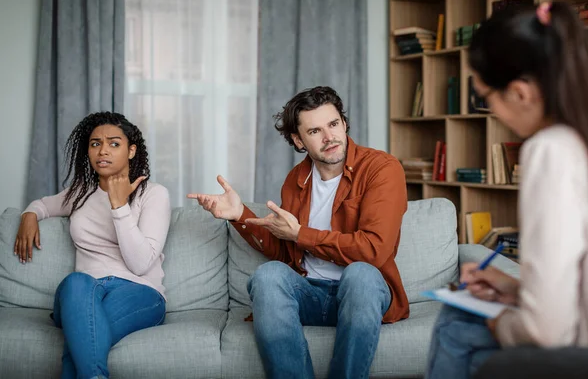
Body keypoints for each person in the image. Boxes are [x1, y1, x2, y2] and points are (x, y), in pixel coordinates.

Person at [426, 0, 588, 379]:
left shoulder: (552, 150)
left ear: (521, 93)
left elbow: (549, 330)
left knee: (458, 321)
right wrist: (518, 290)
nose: (494, 115)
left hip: (582, 356)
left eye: (486, 97)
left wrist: (500, 322)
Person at [188, 86, 409, 379]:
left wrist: (301, 234)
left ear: (344, 124)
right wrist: (240, 214)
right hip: (310, 294)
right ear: (299, 140)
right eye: (315, 130)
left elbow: (374, 250)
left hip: (362, 296)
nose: (329, 137)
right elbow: (284, 249)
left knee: (362, 274)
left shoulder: (381, 168)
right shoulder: (296, 179)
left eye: (333, 124)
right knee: (268, 275)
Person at [14, 112, 171, 379]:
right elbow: (42, 205)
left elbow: (141, 264)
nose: (103, 151)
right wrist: (29, 215)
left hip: (139, 292)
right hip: (83, 293)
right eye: (95, 144)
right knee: (77, 282)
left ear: (131, 151)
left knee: (83, 339)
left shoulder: (153, 194)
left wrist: (119, 206)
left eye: (114, 143)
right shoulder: (80, 193)